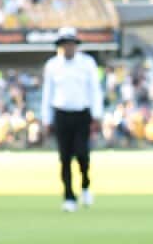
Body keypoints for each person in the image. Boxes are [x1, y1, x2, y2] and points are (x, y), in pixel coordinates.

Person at [40, 26, 103, 212]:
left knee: (82, 154)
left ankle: (85, 186)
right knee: (64, 157)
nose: (68, 48)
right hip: (61, 113)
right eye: (65, 44)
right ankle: (68, 195)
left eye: (71, 44)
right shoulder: (52, 65)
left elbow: (94, 90)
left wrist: (97, 114)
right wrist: (47, 119)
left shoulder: (87, 63)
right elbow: (48, 93)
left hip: (82, 113)